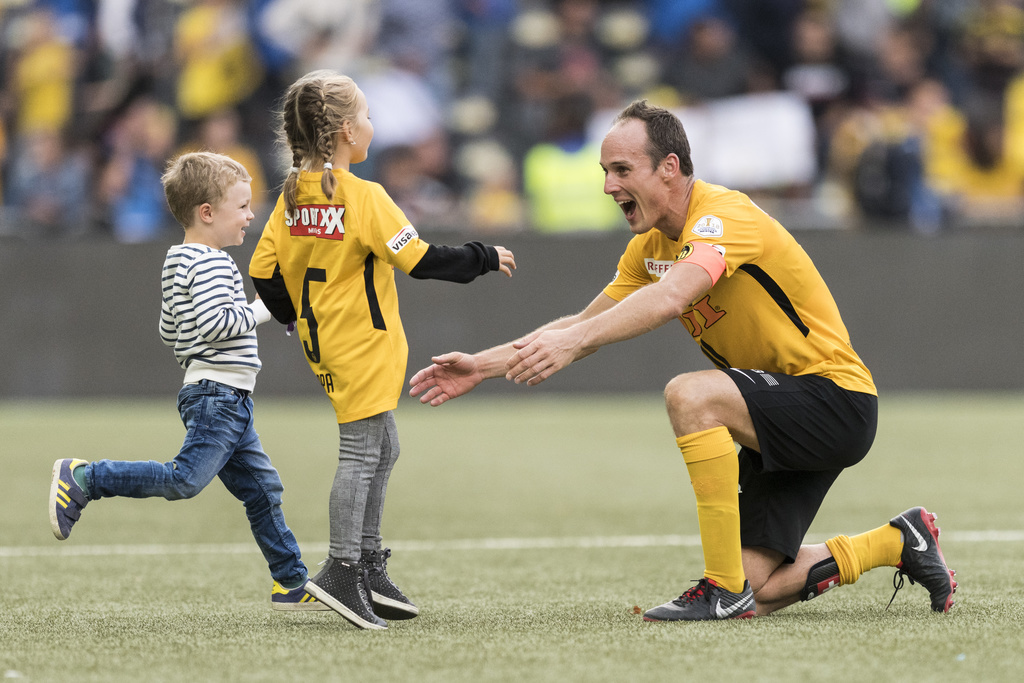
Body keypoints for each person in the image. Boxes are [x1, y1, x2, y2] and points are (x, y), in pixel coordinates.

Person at [409, 99, 957, 621]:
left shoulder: (724, 215)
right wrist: (482, 365)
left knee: (690, 394)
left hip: (834, 400)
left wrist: (574, 343)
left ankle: (717, 588)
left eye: (622, 169)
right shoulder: (647, 249)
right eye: (605, 171)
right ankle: (896, 541)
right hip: (775, 413)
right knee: (758, 592)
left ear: (669, 167)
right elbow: (581, 326)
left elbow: (672, 297)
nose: (608, 186)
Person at [248, 70, 516, 630]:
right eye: (366, 116)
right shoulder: (364, 196)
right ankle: (342, 568)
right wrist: (483, 255)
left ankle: (367, 565)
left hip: (326, 343)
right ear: (346, 131)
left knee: (383, 446)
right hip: (364, 344)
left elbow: (264, 271)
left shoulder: (293, 196)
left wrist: (297, 316)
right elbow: (418, 258)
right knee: (362, 452)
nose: (371, 125)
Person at [48, 151, 323, 612]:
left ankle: (291, 581)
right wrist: (269, 308)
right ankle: (84, 478)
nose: (251, 216)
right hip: (220, 396)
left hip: (215, 393)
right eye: (242, 207)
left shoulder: (179, 259)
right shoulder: (214, 263)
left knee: (262, 488)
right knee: (184, 480)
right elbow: (216, 324)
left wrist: (209, 340)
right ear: (207, 213)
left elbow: (169, 330)